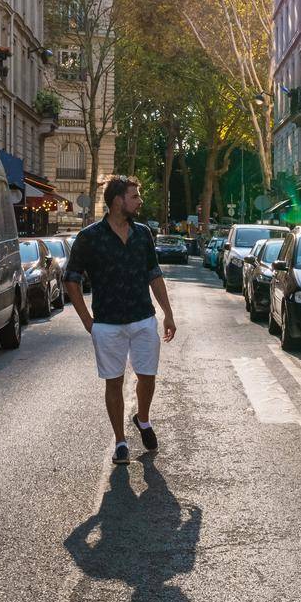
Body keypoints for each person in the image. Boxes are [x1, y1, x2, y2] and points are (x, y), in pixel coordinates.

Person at [63, 176, 177, 466]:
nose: (139, 201)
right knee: (114, 383)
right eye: (135, 196)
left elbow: (154, 274)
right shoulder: (89, 238)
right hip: (108, 324)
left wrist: (168, 313)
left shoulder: (143, 234)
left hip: (143, 319)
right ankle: (121, 442)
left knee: (147, 377)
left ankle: (143, 418)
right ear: (117, 201)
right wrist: (89, 322)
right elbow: (71, 281)